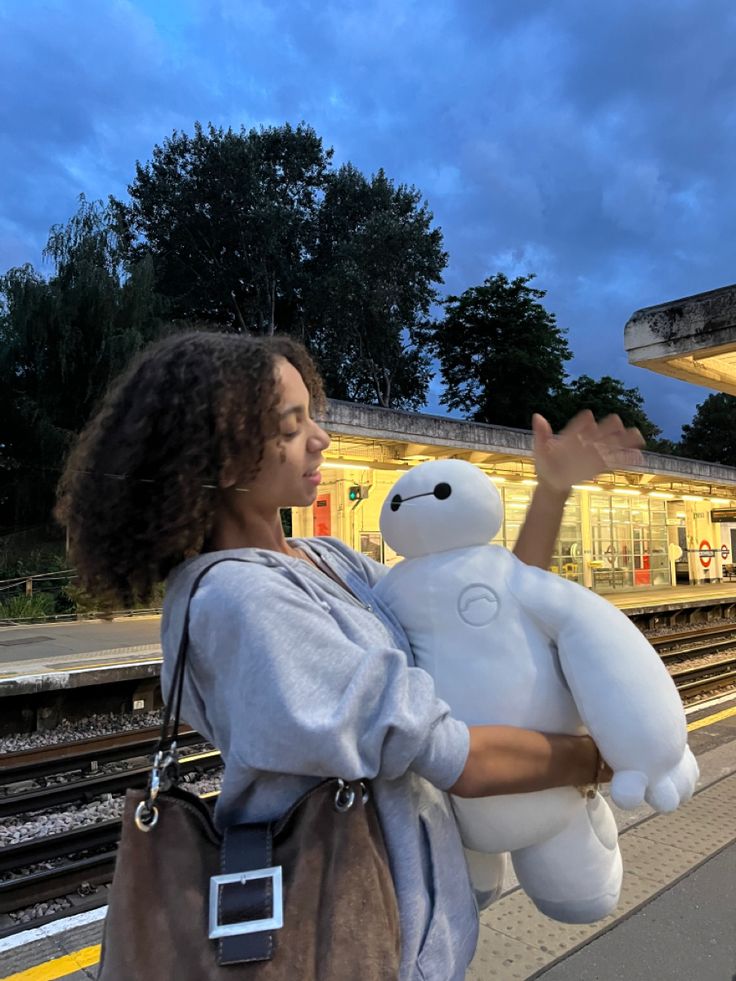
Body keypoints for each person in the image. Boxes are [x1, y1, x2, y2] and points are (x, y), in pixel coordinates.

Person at [56, 331, 643, 981]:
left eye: (313, 415)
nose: (321, 438)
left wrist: (551, 492)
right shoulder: (241, 599)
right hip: (348, 943)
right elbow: (453, 756)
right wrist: (598, 757)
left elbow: (485, 615)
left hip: (400, 936)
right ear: (221, 458)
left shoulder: (326, 560)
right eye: (292, 423)